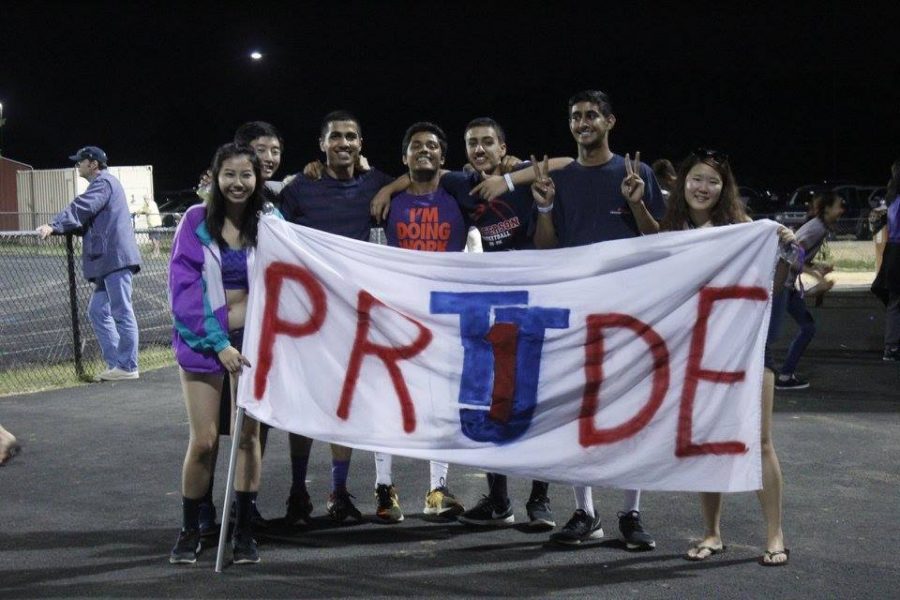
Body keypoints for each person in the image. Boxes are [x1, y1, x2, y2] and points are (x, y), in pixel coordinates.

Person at [525, 91, 663, 549]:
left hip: (629, 311)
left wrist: (639, 203)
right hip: (577, 308)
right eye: (575, 117)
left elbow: (659, 241)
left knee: (629, 412)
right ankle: (585, 512)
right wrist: (544, 206)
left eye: (591, 116)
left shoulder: (635, 172)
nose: (583, 123)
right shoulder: (558, 180)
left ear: (610, 121)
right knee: (578, 411)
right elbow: (546, 250)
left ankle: (631, 512)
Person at [657, 149, 792, 567]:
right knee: (705, 444)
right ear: (683, 183)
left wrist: (785, 249)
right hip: (697, 352)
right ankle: (712, 533)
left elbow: (775, 284)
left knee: (761, 440)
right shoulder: (673, 230)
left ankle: (775, 537)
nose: (703, 188)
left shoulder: (743, 230)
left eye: (712, 181)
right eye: (696, 179)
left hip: (747, 348)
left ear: (723, 188)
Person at [276, 110, 396, 526]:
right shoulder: (301, 188)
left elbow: (415, 180)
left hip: (351, 316)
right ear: (322, 145)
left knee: (343, 405)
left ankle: (339, 491)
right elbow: (274, 235)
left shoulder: (376, 182)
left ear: (361, 144)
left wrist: (390, 185)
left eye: (351, 137)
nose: (343, 144)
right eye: (335, 138)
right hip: (307, 316)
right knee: (304, 403)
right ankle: (296, 492)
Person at [372, 121, 480, 523]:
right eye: (416, 146)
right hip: (398, 313)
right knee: (388, 402)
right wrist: (388, 187)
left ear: (442, 156)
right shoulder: (384, 197)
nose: (424, 151)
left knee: (442, 404)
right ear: (404, 157)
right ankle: (385, 489)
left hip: (445, 315)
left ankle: (437, 489)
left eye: (432, 146)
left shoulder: (458, 193)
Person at [168, 143, 270, 565]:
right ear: (214, 177)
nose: (238, 183)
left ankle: (244, 531)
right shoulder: (194, 221)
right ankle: (192, 530)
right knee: (206, 441)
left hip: (255, 342)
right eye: (229, 174)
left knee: (247, 438)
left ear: (257, 179)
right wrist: (220, 342)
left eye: (246, 175)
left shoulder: (271, 223)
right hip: (205, 343)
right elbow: (184, 292)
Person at [37, 146, 142, 382]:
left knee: (122, 311)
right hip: (109, 259)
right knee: (96, 311)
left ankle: (128, 365)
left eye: (80, 161)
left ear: (93, 164)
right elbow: (88, 219)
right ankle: (117, 364)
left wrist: (55, 224)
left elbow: (82, 206)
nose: (77, 165)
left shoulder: (103, 183)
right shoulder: (103, 184)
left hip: (116, 258)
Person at [774, 192, 844, 390]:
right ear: (827, 209)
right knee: (802, 329)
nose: (842, 211)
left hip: (785, 284)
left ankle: (784, 376)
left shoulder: (819, 228)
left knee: (806, 328)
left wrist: (817, 267)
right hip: (781, 284)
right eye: (839, 206)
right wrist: (817, 278)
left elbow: (800, 256)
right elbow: (791, 256)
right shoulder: (816, 229)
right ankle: (782, 377)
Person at [872, 158, 900, 361]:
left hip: (892, 250)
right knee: (896, 300)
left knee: (893, 299)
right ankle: (891, 347)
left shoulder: (892, 199)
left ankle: (891, 346)